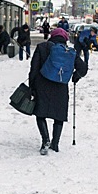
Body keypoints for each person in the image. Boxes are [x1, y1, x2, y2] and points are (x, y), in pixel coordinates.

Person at [29, 27, 87, 155]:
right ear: (65, 39)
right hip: (60, 86)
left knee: (40, 113)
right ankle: (55, 144)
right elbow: (83, 68)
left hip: (42, 84)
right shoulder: (69, 52)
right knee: (59, 115)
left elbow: (34, 68)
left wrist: (31, 86)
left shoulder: (42, 47)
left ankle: (45, 140)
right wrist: (75, 76)